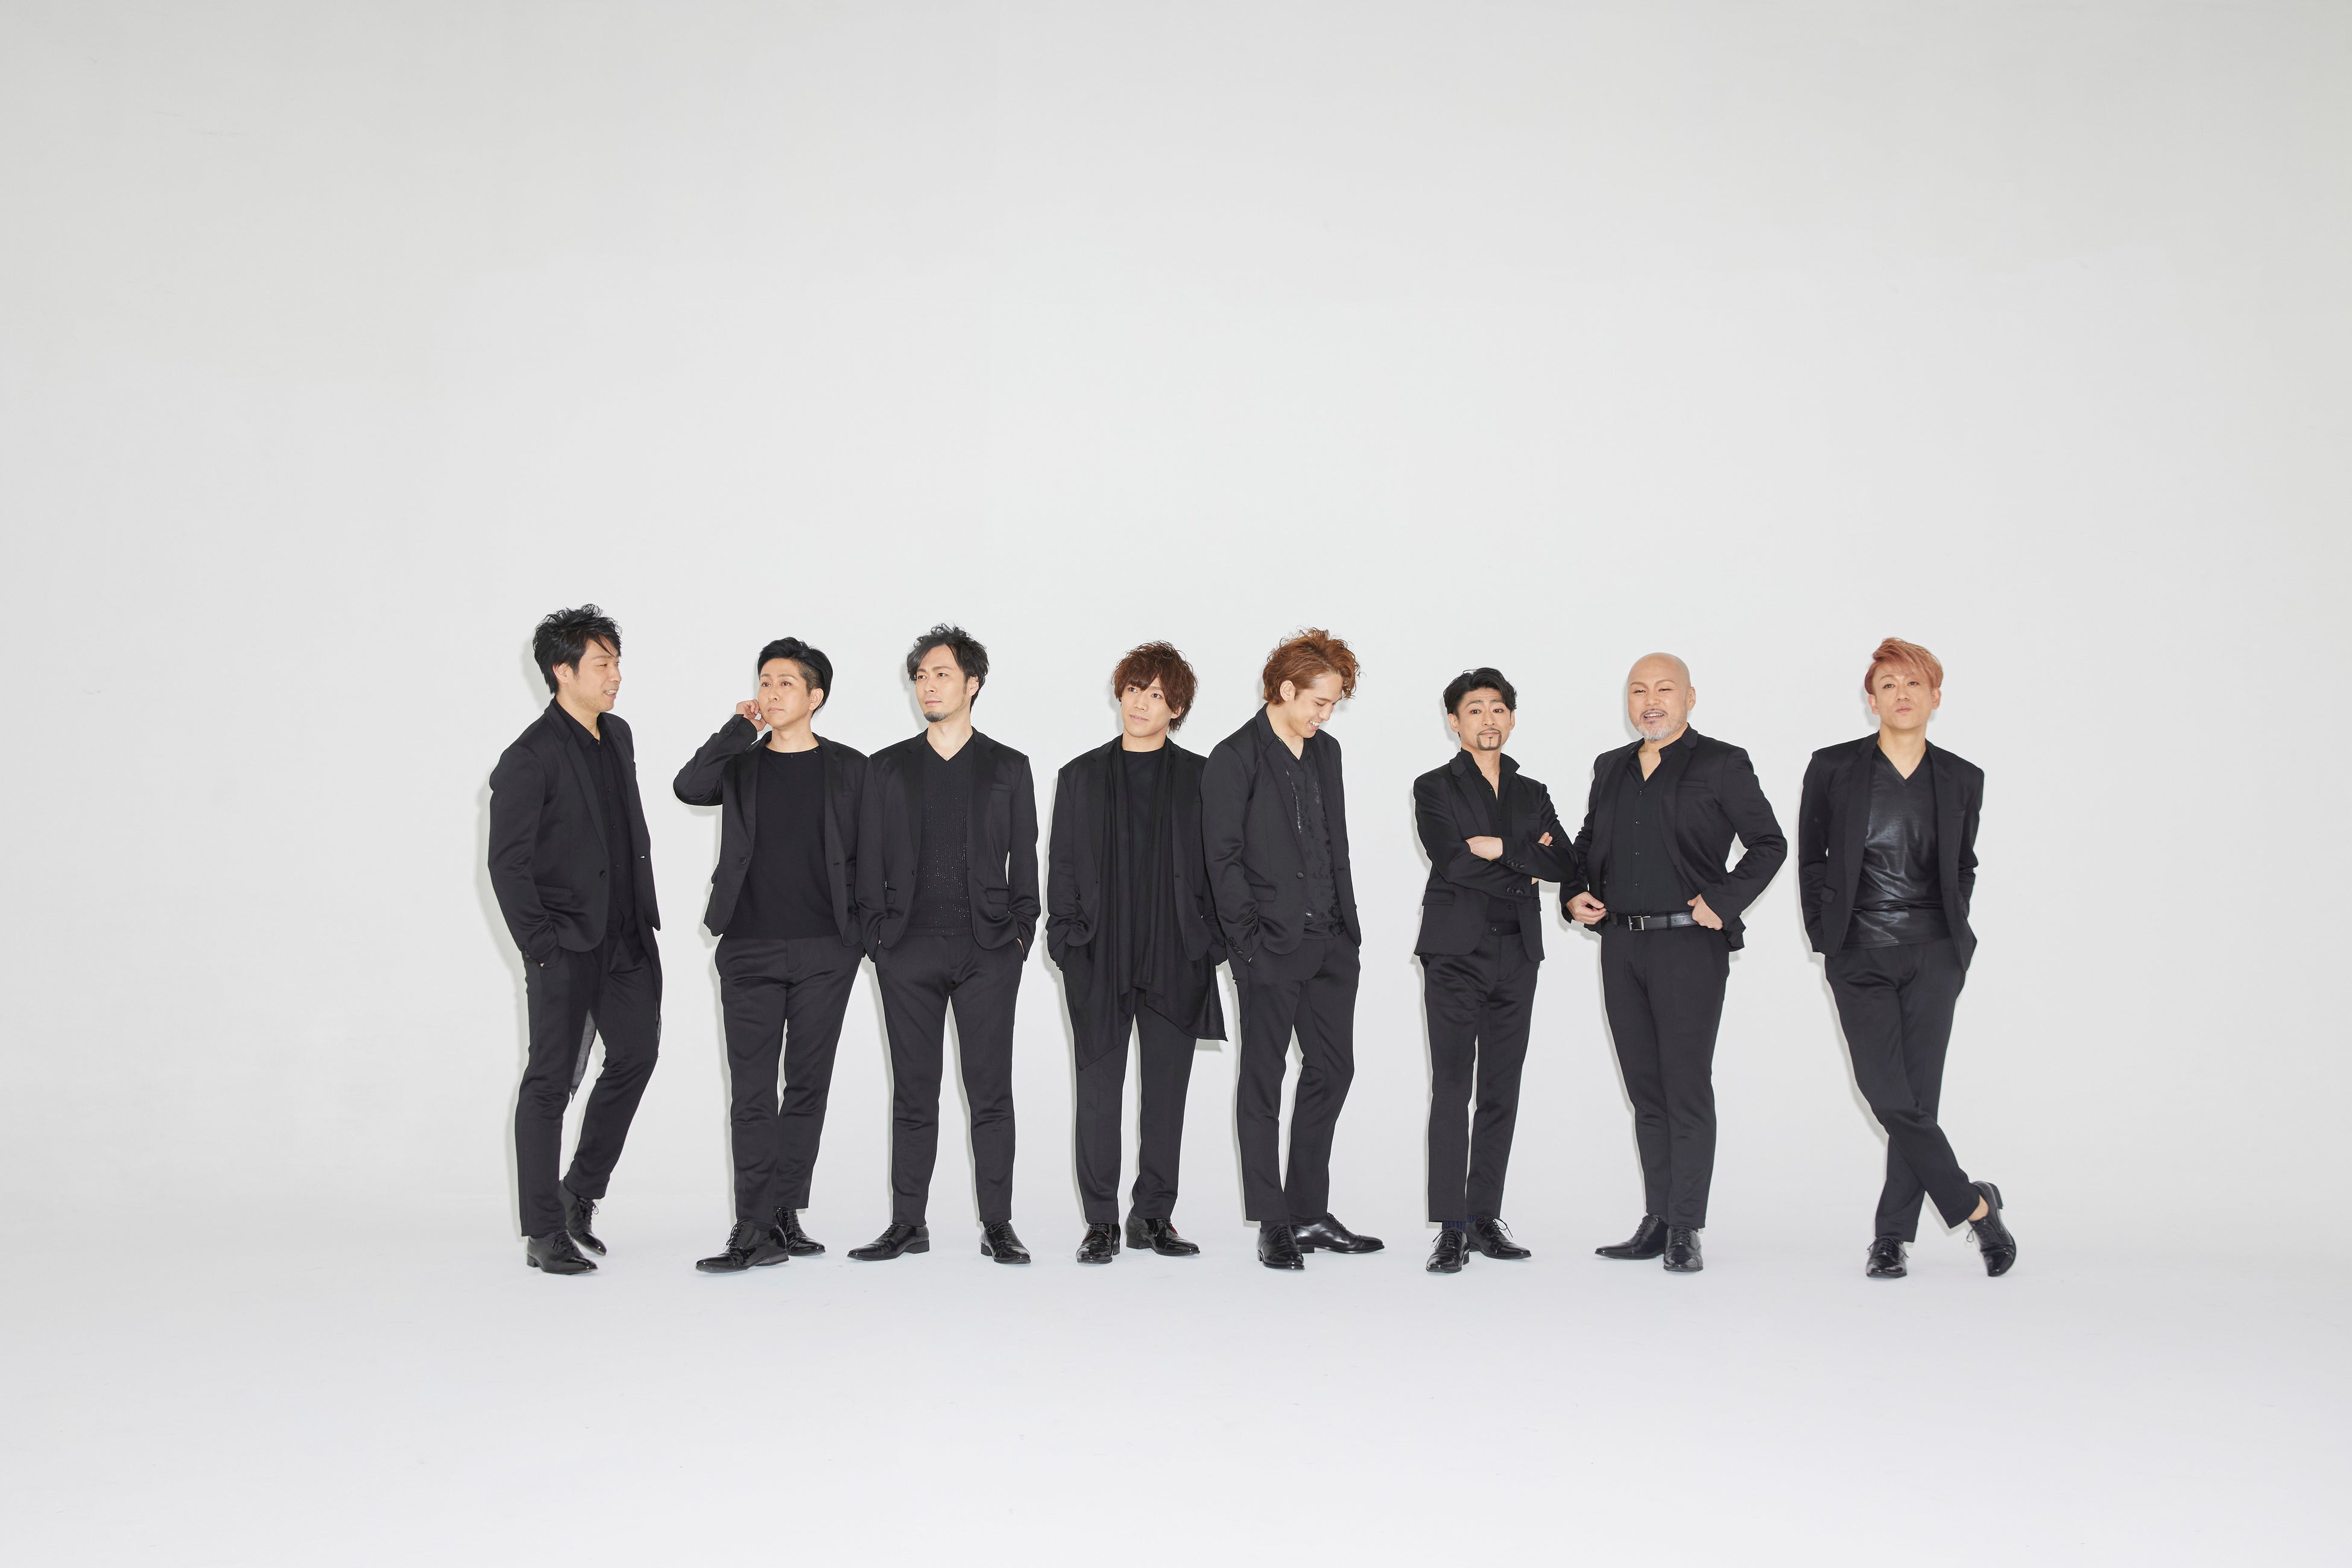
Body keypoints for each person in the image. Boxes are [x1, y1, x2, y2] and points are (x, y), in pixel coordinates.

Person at [1798, 639, 2015, 1279]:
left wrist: (1952, 936)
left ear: (1935, 697)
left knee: (1917, 1101)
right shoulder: (1833, 768)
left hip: (1933, 955)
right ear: (1872, 700)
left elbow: (1964, 865)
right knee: (1888, 1094)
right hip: (1859, 951)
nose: (1901, 694)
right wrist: (1826, 934)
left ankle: (1891, 1237)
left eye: (1914, 683)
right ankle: (1975, 1205)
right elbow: (1812, 859)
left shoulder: (1963, 778)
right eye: (1888, 684)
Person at [1564, 653, 1785, 1274]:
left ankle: (1686, 1225)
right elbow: (1588, 844)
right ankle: (1657, 1218)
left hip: (1689, 947)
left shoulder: (1721, 762)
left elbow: (1769, 843)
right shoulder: (1610, 767)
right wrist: (1573, 892)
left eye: (1665, 689)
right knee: (1646, 1090)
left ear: (1690, 697)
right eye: (1639, 691)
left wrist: (1723, 900)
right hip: (1621, 946)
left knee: (1684, 1087)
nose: (1651, 701)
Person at [673, 637, 868, 1274]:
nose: (772, 691)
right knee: (752, 1092)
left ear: (816, 697)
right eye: (765, 681)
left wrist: (861, 935)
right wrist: (739, 727)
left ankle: (785, 1211)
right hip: (749, 946)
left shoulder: (851, 768)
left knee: (807, 1085)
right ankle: (753, 1226)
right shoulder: (741, 764)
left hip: (826, 950)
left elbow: (875, 853)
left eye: (786, 683)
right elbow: (688, 786)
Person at [850, 626, 1040, 1264]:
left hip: (988, 950)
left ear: (972, 684)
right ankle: (908, 1223)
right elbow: (867, 862)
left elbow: (1025, 863)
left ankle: (998, 1224)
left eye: (941, 674)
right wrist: (877, 939)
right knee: (913, 1092)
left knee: (991, 1093)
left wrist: (1019, 935)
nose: (928, 686)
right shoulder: (886, 766)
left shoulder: (1008, 766)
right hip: (907, 949)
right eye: (921, 677)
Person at [487, 605, 662, 1276]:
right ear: (563, 672)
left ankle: (578, 1194)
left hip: (626, 938)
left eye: (617, 662)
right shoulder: (528, 758)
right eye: (602, 664)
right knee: (550, 1082)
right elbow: (507, 865)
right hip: (565, 944)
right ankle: (542, 1231)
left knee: (636, 1054)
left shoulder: (617, 735)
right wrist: (542, 947)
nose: (616, 675)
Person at [1202, 629, 1382, 1270]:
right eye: (1320, 702)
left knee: (1333, 1069)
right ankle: (1272, 1219)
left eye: (1333, 704)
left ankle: (1308, 1210)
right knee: (1264, 1079)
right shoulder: (1234, 757)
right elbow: (1221, 860)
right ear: (1285, 689)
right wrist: (1248, 944)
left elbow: (1334, 842)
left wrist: (1348, 929)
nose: (1326, 715)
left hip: (1332, 941)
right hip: (1269, 948)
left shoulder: (1327, 752)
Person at [1046, 642, 1228, 1264]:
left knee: (1166, 1094)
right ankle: (1101, 1221)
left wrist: (1211, 941)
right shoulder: (1080, 776)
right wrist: (1067, 943)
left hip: (1176, 954)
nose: (1141, 703)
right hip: (1099, 956)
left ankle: (1153, 1214)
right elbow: (1062, 866)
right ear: (1119, 693)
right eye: (1133, 689)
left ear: (1176, 708)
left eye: (1156, 694)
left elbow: (1223, 865)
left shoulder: (1203, 777)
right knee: (1098, 1092)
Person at [1411, 669, 1581, 1274]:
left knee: (1501, 1091)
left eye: (1498, 708)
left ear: (1511, 718)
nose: (1489, 718)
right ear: (1454, 721)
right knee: (1452, 1088)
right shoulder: (1434, 786)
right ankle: (1451, 1227)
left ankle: (1485, 1218)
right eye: (1475, 709)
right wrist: (1525, 863)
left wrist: (1503, 846)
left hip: (1518, 954)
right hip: (1455, 955)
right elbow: (1453, 861)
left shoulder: (1532, 791)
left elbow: (1565, 861)